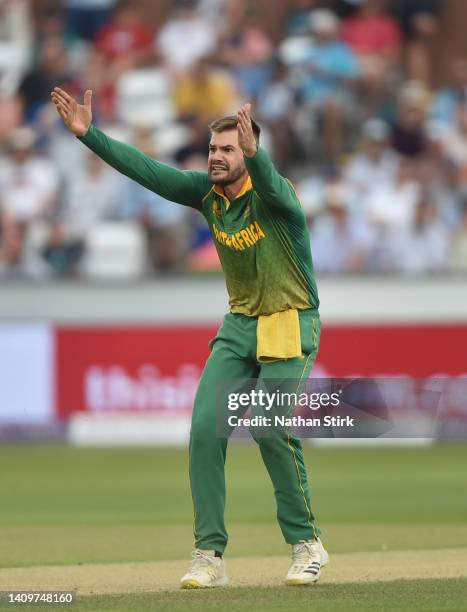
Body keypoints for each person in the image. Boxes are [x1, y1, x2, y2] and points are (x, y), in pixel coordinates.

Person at [51, 86, 329, 588]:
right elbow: (149, 172)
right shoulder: (207, 195)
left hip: (290, 320)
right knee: (205, 431)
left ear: (247, 151)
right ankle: (209, 556)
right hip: (240, 324)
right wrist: (90, 136)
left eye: (228, 149)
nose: (217, 158)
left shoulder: (278, 196)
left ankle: (307, 544)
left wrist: (256, 155)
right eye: (213, 150)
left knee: (268, 428)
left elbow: (266, 177)